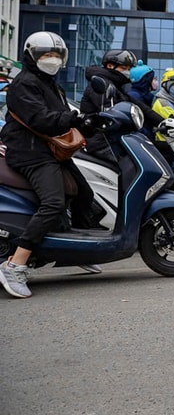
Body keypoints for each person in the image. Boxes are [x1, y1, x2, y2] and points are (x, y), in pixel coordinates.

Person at [0, 32, 103, 298]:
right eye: (46, 55)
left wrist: (87, 122)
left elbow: (62, 115)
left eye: (56, 55)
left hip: (51, 151)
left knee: (85, 195)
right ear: (32, 56)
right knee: (53, 203)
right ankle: (15, 263)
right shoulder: (23, 84)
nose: (52, 60)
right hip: (30, 153)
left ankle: (76, 250)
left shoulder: (50, 83)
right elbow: (42, 119)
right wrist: (74, 120)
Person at [81, 50, 164, 161]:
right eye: (124, 68)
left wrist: (163, 121)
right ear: (110, 66)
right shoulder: (101, 84)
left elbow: (140, 107)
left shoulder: (116, 86)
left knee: (163, 150)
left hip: (118, 139)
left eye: (129, 69)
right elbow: (108, 114)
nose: (127, 72)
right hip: (103, 142)